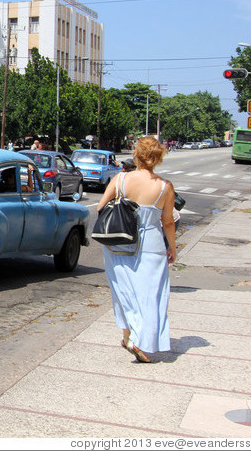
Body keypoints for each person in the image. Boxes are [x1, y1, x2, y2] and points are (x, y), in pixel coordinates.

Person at [96, 136, 176, 364]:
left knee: (123, 290)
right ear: (158, 157)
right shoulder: (164, 186)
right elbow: (168, 222)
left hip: (119, 242)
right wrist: (172, 247)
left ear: (136, 155)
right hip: (151, 244)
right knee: (152, 294)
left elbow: (101, 207)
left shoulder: (121, 179)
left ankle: (127, 335)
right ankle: (140, 340)